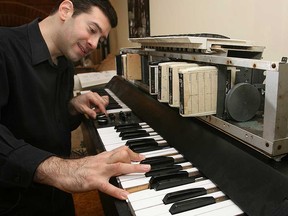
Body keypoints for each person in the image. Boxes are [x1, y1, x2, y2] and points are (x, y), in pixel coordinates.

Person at [0, 0, 151, 215]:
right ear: (65, 10)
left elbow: (50, 125)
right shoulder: (4, 45)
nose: (94, 44)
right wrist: (64, 171)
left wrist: (71, 107)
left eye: (100, 39)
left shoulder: (66, 63)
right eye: (92, 30)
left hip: (57, 198)